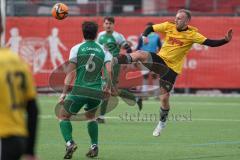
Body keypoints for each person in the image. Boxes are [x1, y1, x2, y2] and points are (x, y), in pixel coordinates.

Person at [113, 9, 233, 137]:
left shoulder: (193, 34)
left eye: (179, 18)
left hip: (171, 69)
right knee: (140, 54)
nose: (176, 20)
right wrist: (144, 36)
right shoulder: (169, 25)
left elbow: (210, 43)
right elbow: (151, 28)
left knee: (164, 98)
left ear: (187, 21)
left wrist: (225, 40)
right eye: (176, 17)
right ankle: (116, 61)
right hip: (160, 61)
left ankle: (162, 122)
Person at [58, 21, 113, 159]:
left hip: (79, 90)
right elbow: (109, 71)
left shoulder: (76, 48)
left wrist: (64, 93)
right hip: (96, 92)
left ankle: (70, 143)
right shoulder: (104, 50)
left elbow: (70, 73)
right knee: (91, 117)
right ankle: (94, 146)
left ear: (83, 32)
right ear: (96, 34)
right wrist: (108, 88)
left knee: (63, 116)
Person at [0, 13, 39, 160]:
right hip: (16, 140)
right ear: (3, 27)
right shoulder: (18, 61)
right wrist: (30, 151)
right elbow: (33, 108)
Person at [96, 16, 142, 123]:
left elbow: (127, 48)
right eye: (106, 23)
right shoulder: (100, 36)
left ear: (113, 25)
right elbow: (97, 48)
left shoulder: (118, 36)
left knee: (105, 89)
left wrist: (132, 58)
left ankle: (100, 117)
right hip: (103, 64)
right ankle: (135, 98)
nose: (108, 25)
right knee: (113, 91)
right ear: (103, 25)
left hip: (114, 65)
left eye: (110, 24)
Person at [136, 22, 162, 100]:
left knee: (153, 76)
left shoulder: (156, 37)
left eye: (149, 28)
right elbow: (139, 47)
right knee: (146, 76)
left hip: (153, 58)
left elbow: (160, 47)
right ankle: (146, 94)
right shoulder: (141, 37)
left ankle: (155, 94)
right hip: (144, 59)